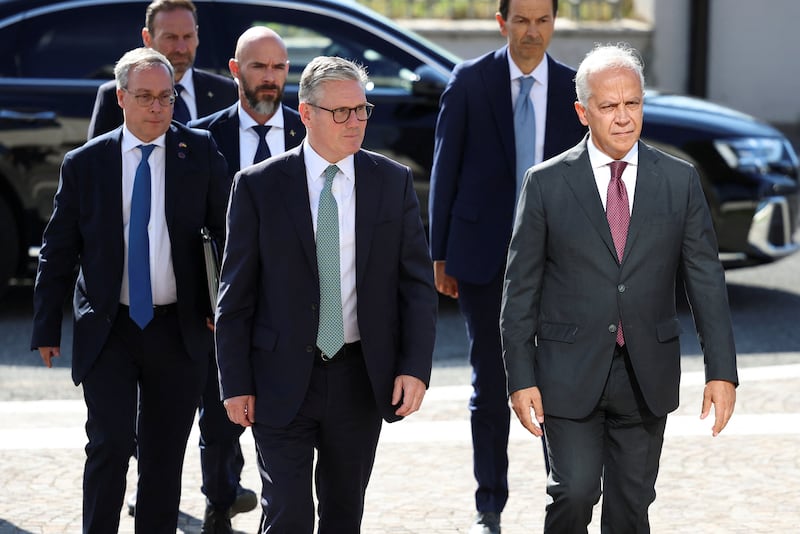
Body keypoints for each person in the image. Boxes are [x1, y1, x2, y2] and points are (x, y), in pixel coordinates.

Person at [500, 43, 739, 533]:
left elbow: (705, 280)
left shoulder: (679, 180)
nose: (624, 117)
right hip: (567, 372)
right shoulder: (545, 184)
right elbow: (519, 289)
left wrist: (722, 371)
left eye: (633, 103)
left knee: (631, 509)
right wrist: (520, 377)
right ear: (582, 112)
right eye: (609, 106)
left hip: (645, 373)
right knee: (575, 491)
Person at [214, 55, 438, 533]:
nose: (354, 121)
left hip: (360, 378)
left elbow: (415, 286)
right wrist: (234, 382)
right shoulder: (257, 186)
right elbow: (235, 294)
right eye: (341, 112)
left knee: (343, 516)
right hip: (279, 379)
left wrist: (414, 368)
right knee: (288, 516)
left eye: (361, 109)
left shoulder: (391, 182)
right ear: (307, 113)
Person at [30, 47, 229, 534]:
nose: (158, 108)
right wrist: (46, 325)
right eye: (145, 97)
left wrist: (223, 307)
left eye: (166, 97)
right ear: (121, 98)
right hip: (110, 325)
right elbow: (58, 247)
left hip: (178, 328)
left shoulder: (198, 151)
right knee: (110, 443)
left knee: (163, 456)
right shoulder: (86, 163)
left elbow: (229, 235)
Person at [427, 0, 585, 531]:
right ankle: (488, 505)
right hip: (481, 258)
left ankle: (562, 499)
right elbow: (445, 169)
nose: (531, 32)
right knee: (490, 384)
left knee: (559, 384)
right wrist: (440, 254)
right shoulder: (469, 82)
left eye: (542, 21)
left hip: (559, 263)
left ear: (554, 23)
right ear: (502, 23)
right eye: (521, 20)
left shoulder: (573, 89)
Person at [186, 26, 304, 533]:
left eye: (279, 67)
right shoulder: (203, 137)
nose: (271, 77)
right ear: (236, 71)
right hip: (226, 300)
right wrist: (209, 301)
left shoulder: (309, 130)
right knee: (218, 413)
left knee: (286, 417)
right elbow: (190, 228)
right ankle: (219, 502)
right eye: (259, 66)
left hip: (294, 307)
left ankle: (280, 506)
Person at [87, 0, 237, 138]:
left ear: (197, 35)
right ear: (147, 38)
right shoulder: (116, 95)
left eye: (188, 36)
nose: (181, 48)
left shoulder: (225, 91)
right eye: (170, 37)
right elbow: (97, 161)